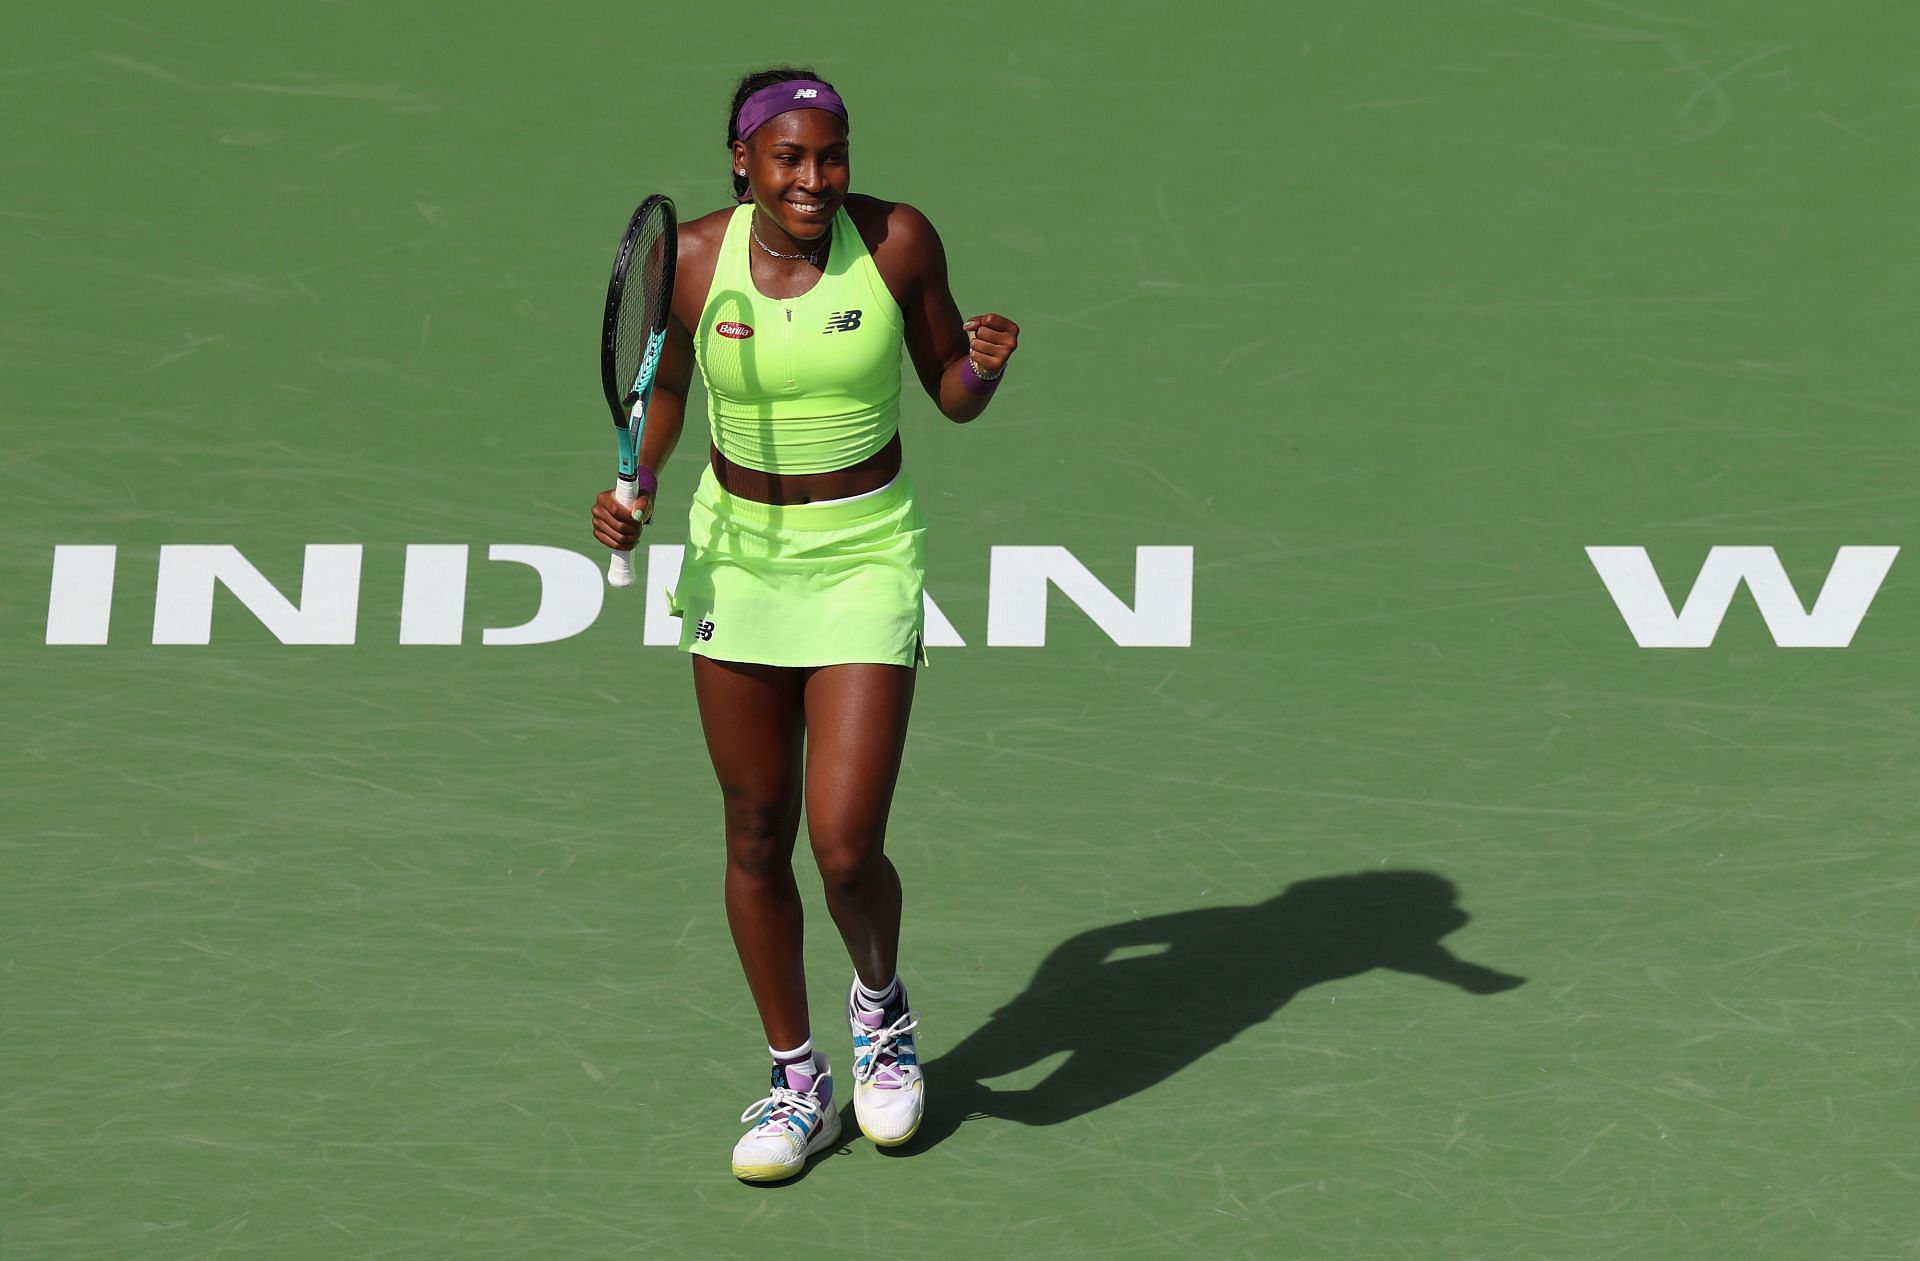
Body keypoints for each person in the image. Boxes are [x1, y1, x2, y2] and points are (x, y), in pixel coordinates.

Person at [589, 67, 1019, 1183]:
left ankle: (881, 1010)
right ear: (744, 161)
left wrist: (983, 365)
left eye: (831, 156)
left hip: (866, 552)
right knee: (752, 827)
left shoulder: (898, 243)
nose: (816, 179)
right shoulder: (691, 259)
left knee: (843, 843)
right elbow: (666, 382)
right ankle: (796, 1075)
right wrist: (636, 481)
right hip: (739, 554)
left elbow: (949, 389)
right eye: (790, 158)